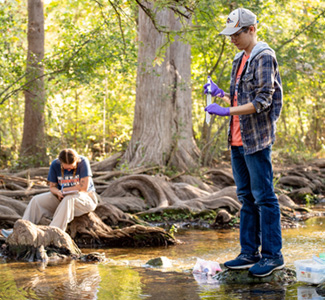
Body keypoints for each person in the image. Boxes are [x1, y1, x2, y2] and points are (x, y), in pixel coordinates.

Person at [204, 8, 284, 277]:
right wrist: (221, 94)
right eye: (229, 35)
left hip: (256, 139)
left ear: (251, 29)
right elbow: (241, 98)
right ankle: (249, 253)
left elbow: (262, 101)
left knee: (264, 198)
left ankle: (273, 256)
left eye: (236, 34)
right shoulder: (239, 58)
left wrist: (227, 111)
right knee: (245, 198)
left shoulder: (264, 56)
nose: (232, 39)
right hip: (236, 139)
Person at [1, 149, 98, 237]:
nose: (69, 170)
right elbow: (52, 187)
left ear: (77, 161)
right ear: (60, 163)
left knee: (69, 199)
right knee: (36, 200)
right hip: (63, 198)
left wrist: (65, 191)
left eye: (72, 168)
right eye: (66, 168)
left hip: (86, 199)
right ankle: (18, 232)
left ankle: (51, 235)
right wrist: (59, 192)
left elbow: (83, 187)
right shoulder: (55, 164)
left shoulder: (83, 161)